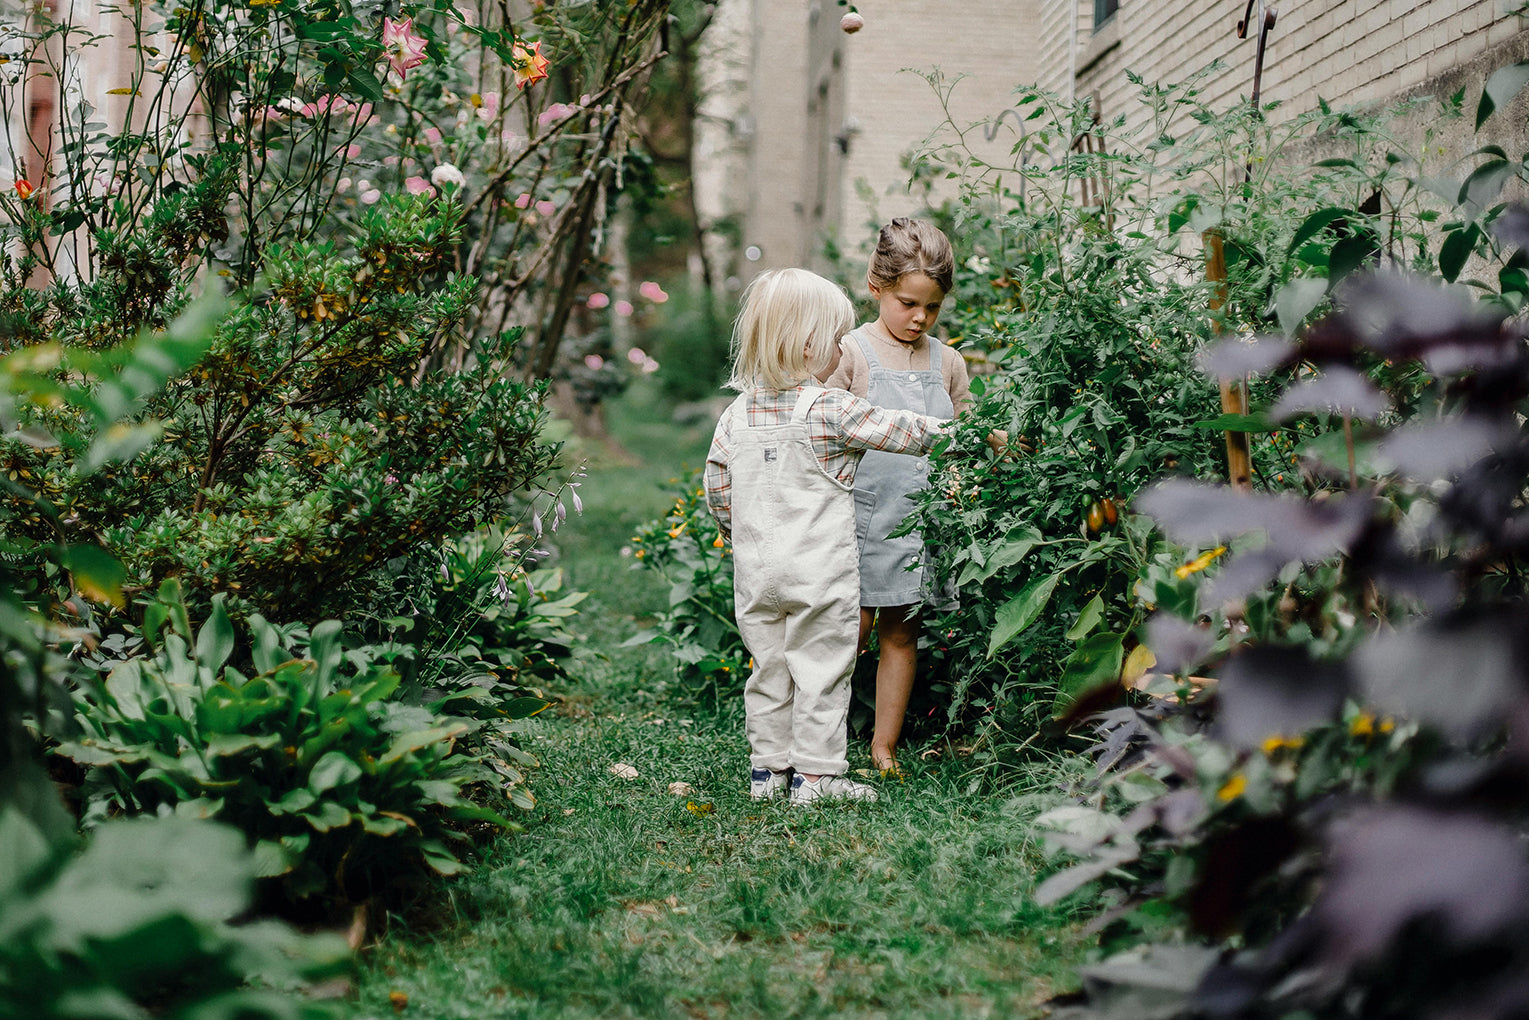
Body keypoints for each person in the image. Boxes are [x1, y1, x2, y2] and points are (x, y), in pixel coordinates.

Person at [703, 268, 952, 805]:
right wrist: (967, 433)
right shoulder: (828, 408)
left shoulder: (733, 417)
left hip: (757, 576)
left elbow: (718, 491)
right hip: (819, 574)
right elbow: (902, 431)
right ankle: (817, 778)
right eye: (838, 340)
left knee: (768, 670)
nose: (844, 350)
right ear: (813, 344)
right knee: (820, 671)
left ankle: (768, 774)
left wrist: (740, 536)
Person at [822, 217, 1005, 774]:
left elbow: (965, 429)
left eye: (932, 307)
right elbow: (823, 426)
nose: (919, 317)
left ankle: (883, 747)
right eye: (907, 303)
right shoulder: (849, 353)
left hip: (919, 523)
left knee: (902, 634)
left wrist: (997, 442)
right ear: (875, 286)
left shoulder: (946, 361)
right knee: (844, 636)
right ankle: (817, 742)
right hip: (855, 522)